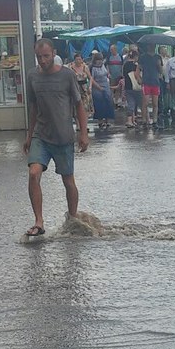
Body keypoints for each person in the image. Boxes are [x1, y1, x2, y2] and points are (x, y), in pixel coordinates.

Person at [23, 39, 89, 237]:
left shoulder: (67, 75)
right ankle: (39, 221)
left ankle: (73, 218)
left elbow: (79, 105)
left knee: (68, 180)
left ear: (54, 53)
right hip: (41, 135)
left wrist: (83, 133)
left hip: (63, 137)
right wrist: (29, 135)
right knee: (33, 173)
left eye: (46, 56)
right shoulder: (32, 76)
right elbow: (33, 107)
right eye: (39, 57)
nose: (42, 60)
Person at [89, 50, 115, 130]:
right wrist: (98, 87)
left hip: (106, 85)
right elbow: (91, 79)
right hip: (97, 87)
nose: (100, 61)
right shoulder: (92, 68)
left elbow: (106, 72)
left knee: (108, 102)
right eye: (98, 60)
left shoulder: (103, 65)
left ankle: (107, 120)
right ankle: (100, 121)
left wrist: (108, 75)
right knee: (99, 104)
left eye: (101, 59)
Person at [139, 44, 163, 128]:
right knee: (145, 102)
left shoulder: (158, 57)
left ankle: (155, 121)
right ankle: (144, 120)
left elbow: (161, 71)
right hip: (146, 81)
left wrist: (159, 65)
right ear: (148, 46)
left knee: (155, 103)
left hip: (155, 82)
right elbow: (139, 68)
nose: (152, 47)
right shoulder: (143, 57)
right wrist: (139, 78)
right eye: (150, 45)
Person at [123, 47, 143, 128]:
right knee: (140, 104)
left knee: (130, 103)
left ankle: (131, 120)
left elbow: (123, 75)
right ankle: (145, 120)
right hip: (136, 86)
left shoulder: (125, 65)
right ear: (135, 57)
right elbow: (138, 75)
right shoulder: (136, 65)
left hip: (128, 86)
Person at [70, 53, 93, 118]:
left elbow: (90, 78)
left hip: (84, 88)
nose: (78, 61)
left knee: (85, 106)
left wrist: (90, 86)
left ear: (82, 60)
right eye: (76, 59)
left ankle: (85, 121)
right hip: (75, 87)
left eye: (79, 59)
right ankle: (77, 122)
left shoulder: (85, 67)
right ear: (74, 60)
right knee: (76, 105)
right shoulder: (71, 68)